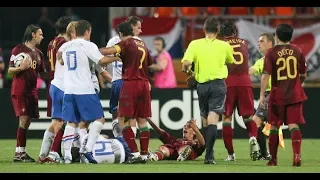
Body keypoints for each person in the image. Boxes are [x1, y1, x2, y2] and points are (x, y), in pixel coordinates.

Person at [60, 20, 120, 164]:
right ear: (87, 31)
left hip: (68, 89)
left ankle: (67, 155)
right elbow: (102, 60)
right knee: (99, 119)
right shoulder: (88, 45)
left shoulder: (66, 45)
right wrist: (118, 56)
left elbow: (60, 60)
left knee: (71, 123)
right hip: (84, 89)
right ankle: (86, 149)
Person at [181, 17, 234, 164]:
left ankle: (208, 153)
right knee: (212, 119)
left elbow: (185, 63)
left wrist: (188, 70)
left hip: (202, 85)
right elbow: (230, 60)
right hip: (218, 85)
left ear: (204, 29)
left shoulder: (194, 44)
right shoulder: (224, 45)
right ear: (218, 31)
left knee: (205, 119)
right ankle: (209, 156)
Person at [99, 21, 152, 163]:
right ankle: (144, 155)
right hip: (144, 83)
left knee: (124, 119)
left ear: (121, 34)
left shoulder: (125, 42)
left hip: (130, 83)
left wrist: (93, 49)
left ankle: (133, 154)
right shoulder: (143, 44)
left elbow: (107, 51)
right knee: (142, 120)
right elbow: (149, 63)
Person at [260, 23, 307, 166]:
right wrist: (298, 83)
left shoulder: (271, 52)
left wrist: (262, 95)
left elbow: (265, 76)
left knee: (274, 126)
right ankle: (297, 157)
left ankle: (273, 160)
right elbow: (303, 74)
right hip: (294, 94)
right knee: (294, 125)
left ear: (276, 36)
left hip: (277, 95)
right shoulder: (298, 51)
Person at [219, 21, 260, 161]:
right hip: (245, 82)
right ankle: (253, 137)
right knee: (248, 117)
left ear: (222, 34)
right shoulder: (245, 42)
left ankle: (231, 154)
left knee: (226, 118)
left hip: (228, 84)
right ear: (235, 32)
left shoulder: (221, 45)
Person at [8, 24, 48, 162]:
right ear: (33, 34)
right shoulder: (18, 49)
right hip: (20, 90)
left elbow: (43, 74)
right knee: (24, 119)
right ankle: (19, 154)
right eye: (40, 34)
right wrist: (21, 67)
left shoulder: (39, 53)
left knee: (27, 121)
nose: (42, 37)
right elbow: (10, 71)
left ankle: (20, 152)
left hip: (32, 91)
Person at [38, 16, 72, 163]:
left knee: (56, 121)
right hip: (63, 84)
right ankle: (52, 154)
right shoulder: (65, 43)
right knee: (63, 121)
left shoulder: (51, 42)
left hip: (53, 83)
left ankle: (43, 154)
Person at [106, 16, 143, 145]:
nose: (140, 30)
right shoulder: (137, 42)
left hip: (117, 81)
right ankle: (129, 145)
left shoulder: (113, 41)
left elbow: (103, 60)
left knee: (116, 113)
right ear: (131, 27)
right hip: (130, 82)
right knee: (131, 115)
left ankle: (120, 141)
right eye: (138, 27)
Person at [249, 33, 275, 160]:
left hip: (274, 94)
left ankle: (267, 154)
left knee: (260, 123)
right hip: (271, 94)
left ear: (270, 43)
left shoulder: (274, 59)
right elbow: (250, 71)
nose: (258, 43)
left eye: (261, 41)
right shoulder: (262, 61)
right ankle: (265, 154)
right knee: (257, 123)